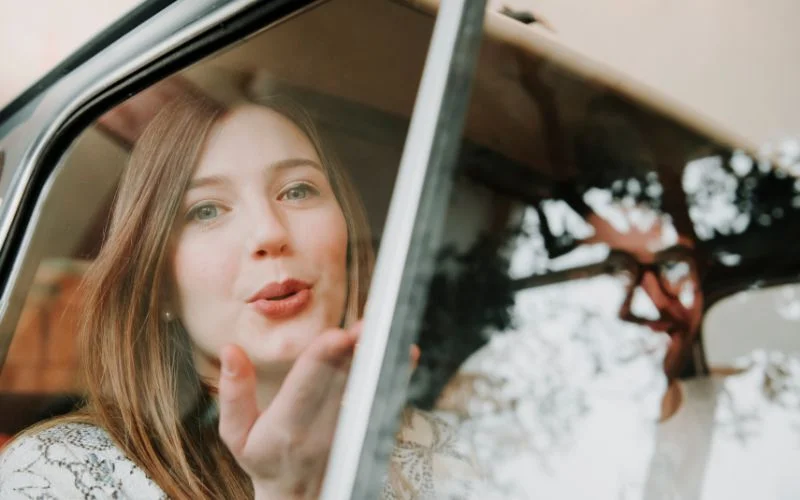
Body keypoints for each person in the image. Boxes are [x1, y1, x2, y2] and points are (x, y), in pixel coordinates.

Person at [0, 95, 481, 499]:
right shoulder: (59, 473)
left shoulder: (442, 452)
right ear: (159, 283)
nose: (269, 231)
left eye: (297, 190)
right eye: (206, 209)